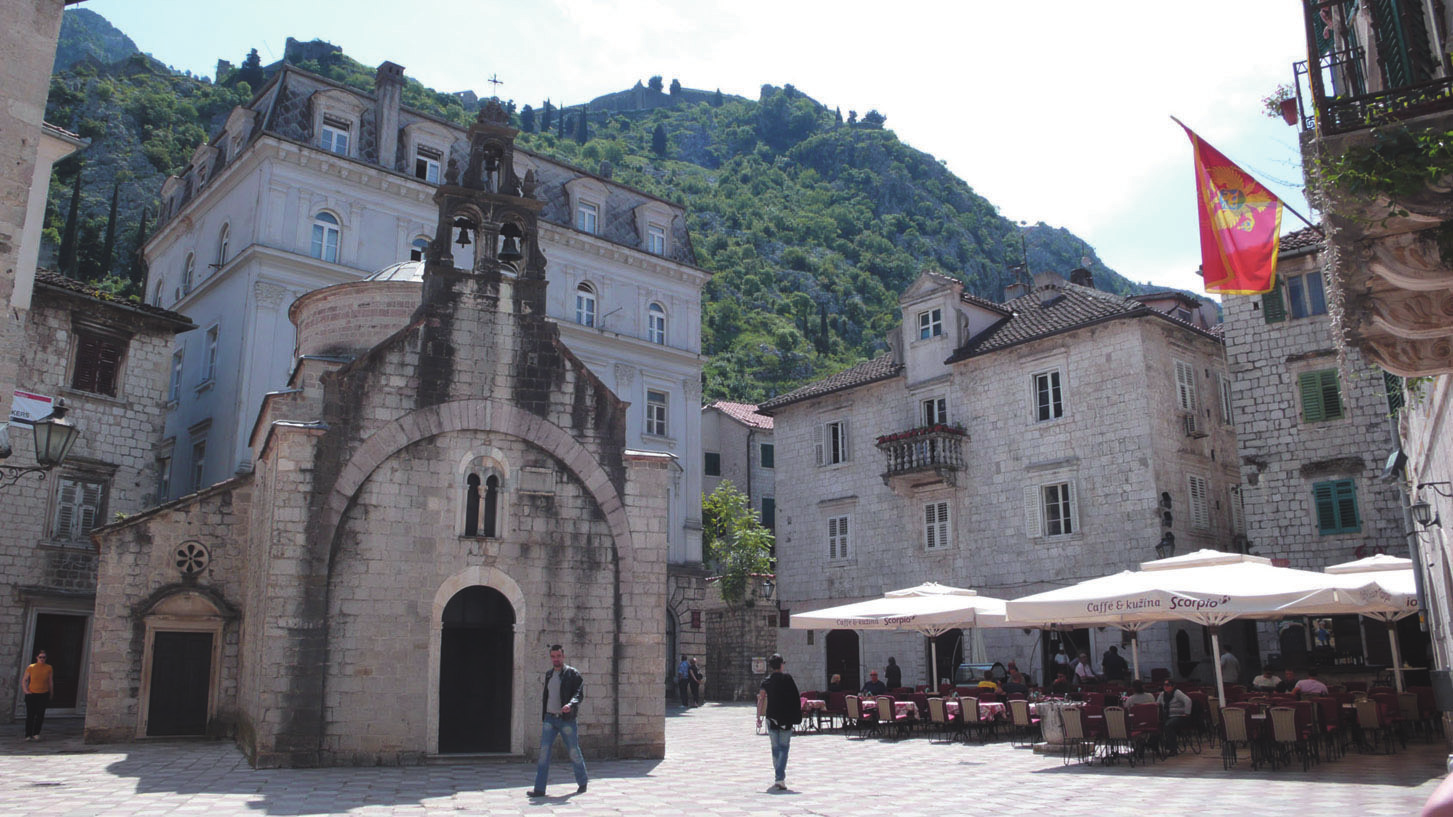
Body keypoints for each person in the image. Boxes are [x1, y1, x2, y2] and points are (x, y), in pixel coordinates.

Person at [528, 645, 588, 798]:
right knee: (544, 753)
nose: (556, 659)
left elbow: (579, 693)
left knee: (574, 750)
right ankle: (539, 789)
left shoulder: (572, 674)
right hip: (550, 719)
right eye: (553, 656)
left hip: (566, 720)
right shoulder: (548, 674)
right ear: (551, 657)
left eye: (558, 656)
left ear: (563, 656)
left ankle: (582, 781)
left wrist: (570, 704)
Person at [757, 653, 801, 791]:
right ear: (781, 665)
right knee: (784, 748)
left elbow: (761, 699)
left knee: (775, 748)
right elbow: (795, 697)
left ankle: (779, 777)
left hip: (772, 717)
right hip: (786, 718)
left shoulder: (766, 681)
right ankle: (780, 778)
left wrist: (758, 717)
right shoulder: (787, 679)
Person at [22, 650, 52, 742]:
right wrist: (25, 690)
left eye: (44, 657)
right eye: (40, 657)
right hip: (32, 694)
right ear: (37, 658)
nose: (42, 659)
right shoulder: (31, 667)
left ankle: (36, 733)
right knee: (30, 715)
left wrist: (51, 692)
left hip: (43, 694)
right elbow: (24, 680)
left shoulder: (49, 668)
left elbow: (50, 681)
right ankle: (28, 734)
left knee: (40, 715)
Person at [1159, 680, 1193, 756]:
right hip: (1167, 716)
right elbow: (1157, 705)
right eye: (1164, 685)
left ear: (1173, 686)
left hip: (1179, 716)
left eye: (1168, 685)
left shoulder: (1177, 693)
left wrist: (1187, 713)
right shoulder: (1162, 694)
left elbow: (1188, 701)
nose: (1165, 686)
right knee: (1158, 724)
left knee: (1168, 725)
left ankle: (1173, 749)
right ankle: (1155, 747)